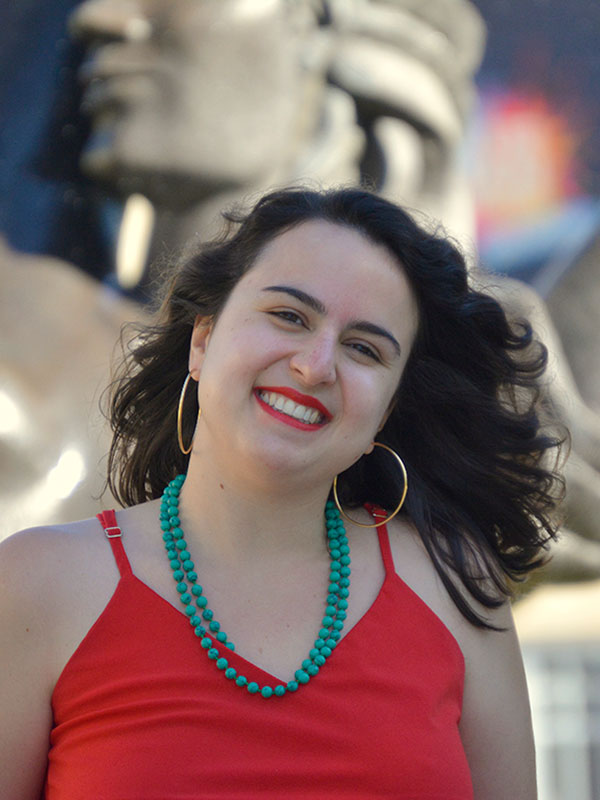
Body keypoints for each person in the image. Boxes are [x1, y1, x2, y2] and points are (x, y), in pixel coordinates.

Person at [1, 186, 563, 798]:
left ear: (388, 409)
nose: (316, 365)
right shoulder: (37, 584)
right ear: (203, 339)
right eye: (289, 316)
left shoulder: (454, 584)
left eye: (364, 349)